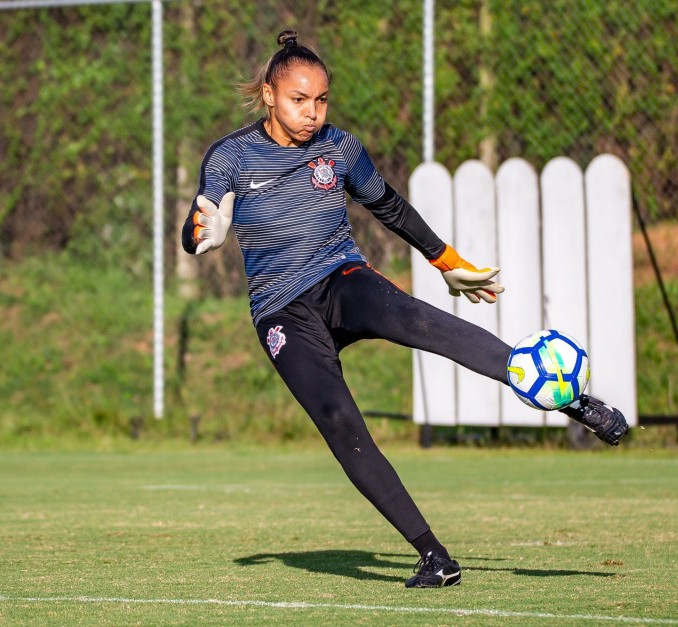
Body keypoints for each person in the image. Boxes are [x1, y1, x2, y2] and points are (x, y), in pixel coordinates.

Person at [182, 30, 628, 589]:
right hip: (280, 312)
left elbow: (387, 204)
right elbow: (194, 230)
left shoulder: (339, 148)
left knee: (426, 324)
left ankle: (576, 400)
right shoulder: (229, 156)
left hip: (341, 278)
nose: (313, 113)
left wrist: (447, 260)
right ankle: (434, 556)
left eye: (321, 100)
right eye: (300, 100)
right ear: (270, 95)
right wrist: (206, 231)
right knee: (342, 427)